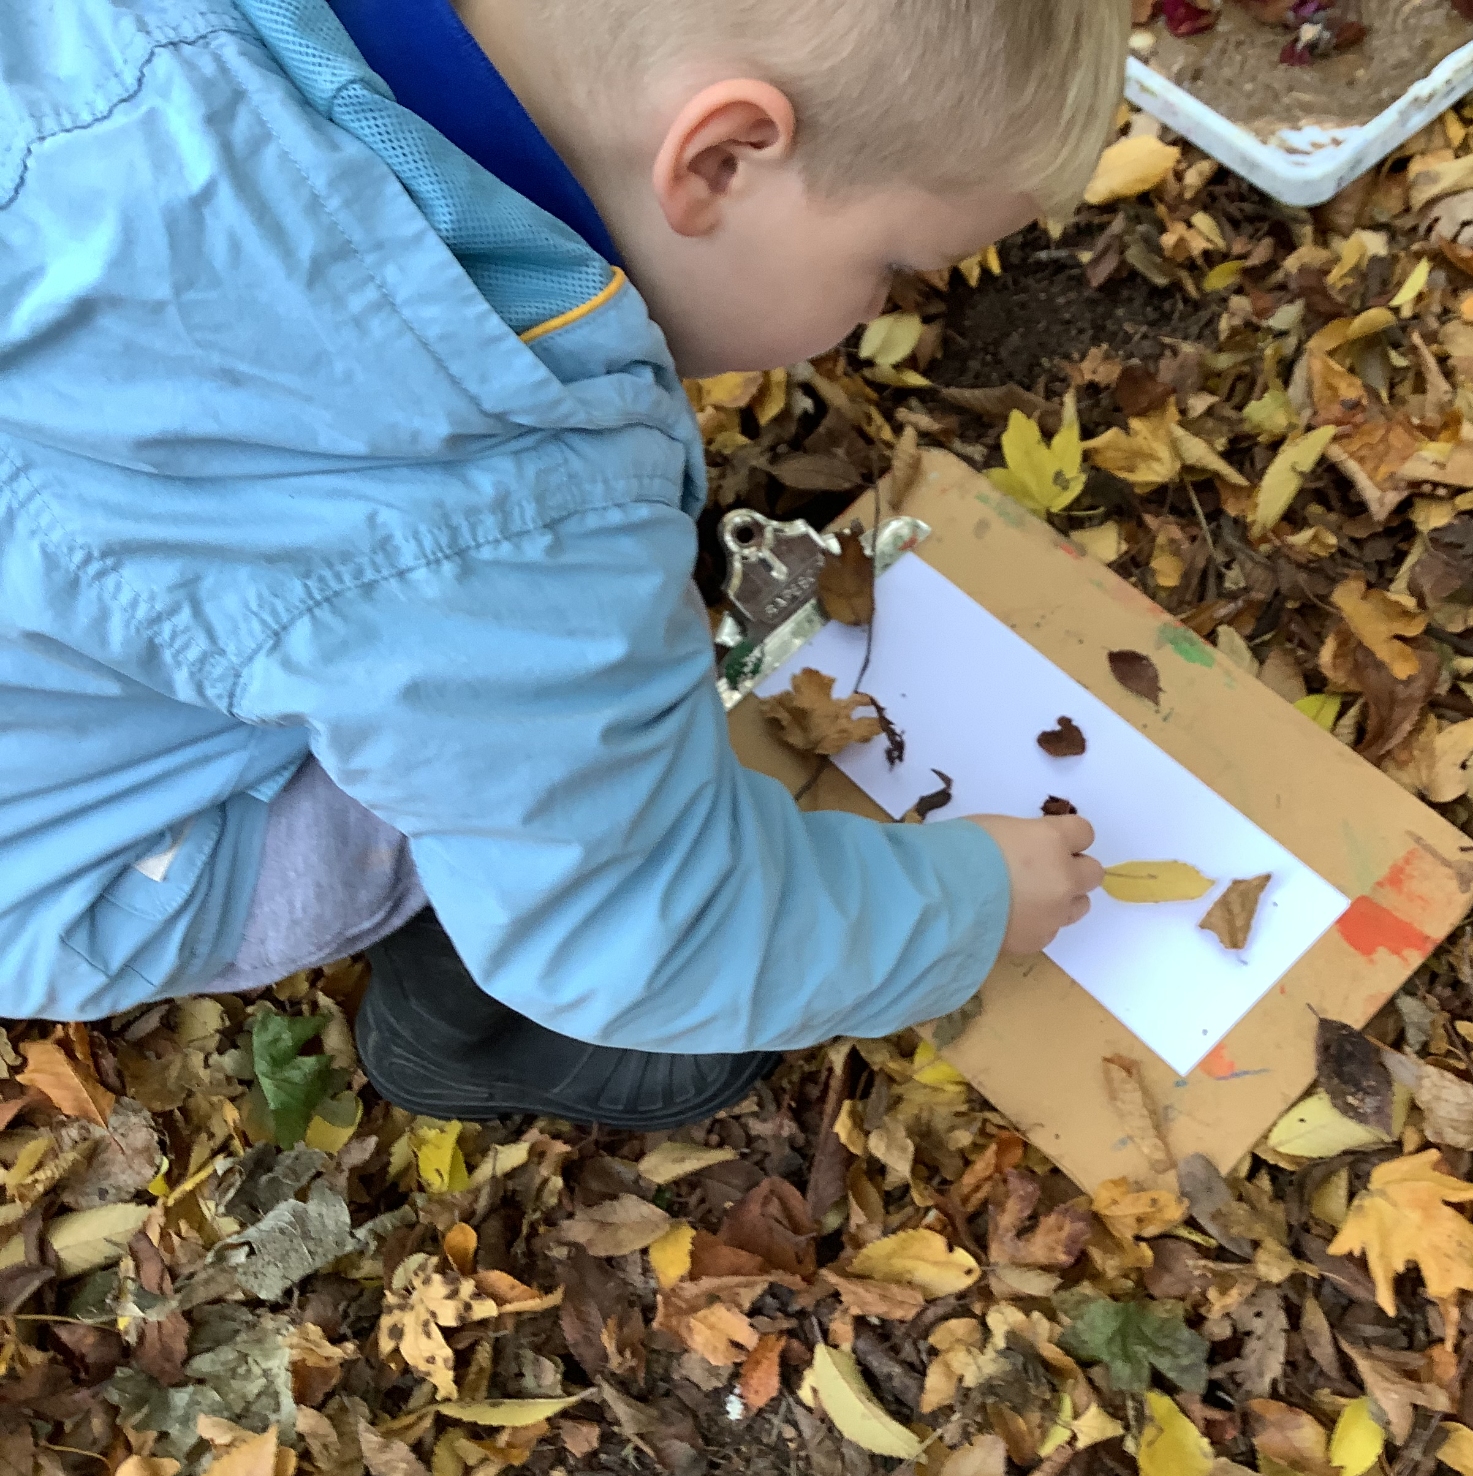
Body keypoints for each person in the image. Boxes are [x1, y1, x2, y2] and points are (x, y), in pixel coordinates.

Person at [0, 0, 1125, 1128]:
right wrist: (973, 900)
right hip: (68, 866)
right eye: (893, 267)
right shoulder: (491, 483)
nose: (881, 308)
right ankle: (468, 1031)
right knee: (530, 773)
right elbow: (658, 922)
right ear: (721, 159)